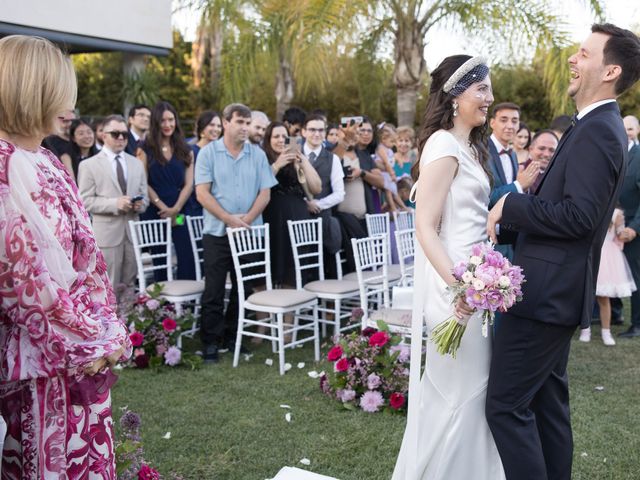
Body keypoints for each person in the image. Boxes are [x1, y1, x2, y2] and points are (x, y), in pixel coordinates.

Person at [486, 23, 640, 480]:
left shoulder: (600, 130)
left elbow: (579, 218)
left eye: (583, 54)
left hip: (543, 295)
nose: (572, 60)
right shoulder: (591, 124)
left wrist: (512, 203)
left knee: (505, 408)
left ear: (610, 70)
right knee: (547, 407)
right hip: (552, 292)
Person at [0, 34, 130, 478]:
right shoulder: (4, 165)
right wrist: (92, 341)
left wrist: (106, 326)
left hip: (83, 351)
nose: (72, 110)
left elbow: (88, 258)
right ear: (28, 90)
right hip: (41, 364)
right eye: (61, 94)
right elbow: (22, 282)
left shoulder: (49, 159)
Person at [393, 54, 503, 480]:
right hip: (454, 289)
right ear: (456, 95)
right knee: (462, 390)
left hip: (476, 285)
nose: (490, 99)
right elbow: (425, 227)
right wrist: (463, 286)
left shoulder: (469, 147)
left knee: (473, 390)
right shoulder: (442, 145)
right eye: (482, 90)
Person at [195, 103, 277, 363]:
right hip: (217, 232)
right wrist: (228, 218)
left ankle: (233, 337)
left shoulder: (258, 155)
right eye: (240, 122)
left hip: (248, 233)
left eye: (248, 122)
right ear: (226, 122)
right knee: (214, 289)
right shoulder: (208, 153)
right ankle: (210, 342)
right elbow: (202, 193)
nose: (245, 127)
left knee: (244, 289)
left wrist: (248, 219)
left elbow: (265, 192)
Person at [78, 114, 149, 292]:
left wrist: (141, 204)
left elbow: (145, 197)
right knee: (107, 287)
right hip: (107, 236)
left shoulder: (136, 164)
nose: (120, 138)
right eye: (115, 133)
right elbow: (85, 201)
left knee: (130, 285)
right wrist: (114, 204)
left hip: (132, 233)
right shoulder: (89, 165)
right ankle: (110, 321)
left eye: (124, 134)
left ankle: (129, 320)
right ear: (103, 135)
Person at [138, 101, 197, 281]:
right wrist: (162, 206)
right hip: (156, 212)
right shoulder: (144, 148)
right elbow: (143, 182)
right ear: (156, 123)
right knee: (160, 256)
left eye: (171, 120)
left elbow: (189, 184)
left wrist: (176, 208)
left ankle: (187, 302)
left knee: (186, 252)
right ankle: (162, 305)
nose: (168, 125)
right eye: (163, 121)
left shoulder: (186, 149)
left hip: (179, 212)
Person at [262, 121, 321, 286]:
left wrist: (301, 161)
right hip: (275, 220)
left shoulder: (296, 161)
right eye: (276, 136)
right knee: (277, 268)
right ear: (268, 139)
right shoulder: (262, 159)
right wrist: (277, 165)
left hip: (298, 219)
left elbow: (315, 188)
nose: (281, 140)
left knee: (295, 272)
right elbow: (259, 185)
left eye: (284, 136)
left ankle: (290, 308)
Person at [579, 208, 635, 345]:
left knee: (604, 297)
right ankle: (585, 330)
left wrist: (625, 232)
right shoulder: (592, 209)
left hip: (607, 257)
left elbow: (621, 235)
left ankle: (606, 331)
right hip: (590, 253)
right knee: (587, 296)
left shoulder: (616, 214)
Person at [302, 114, 345, 265]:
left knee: (323, 265)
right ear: (304, 132)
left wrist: (318, 204)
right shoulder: (295, 154)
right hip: (297, 217)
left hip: (323, 220)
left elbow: (340, 194)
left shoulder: (332, 159)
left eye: (321, 130)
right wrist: (305, 203)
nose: (317, 134)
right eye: (312, 129)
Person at [618, 121, 640, 338]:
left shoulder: (639, 156)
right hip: (611, 228)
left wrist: (634, 228)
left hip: (634, 229)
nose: (625, 133)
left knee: (636, 277)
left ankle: (637, 323)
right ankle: (615, 313)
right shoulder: (615, 151)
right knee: (610, 269)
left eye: (630, 129)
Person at [519, 129, 559, 194]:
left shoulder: (560, 174)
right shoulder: (519, 170)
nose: (546, 154)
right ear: (531, 149)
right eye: (541, 148)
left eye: (552, 150)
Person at [69, 118, 98, 182]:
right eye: (81, 133)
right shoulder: (68, 160)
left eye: (89, 132)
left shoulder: (100, 156)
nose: (86, 136)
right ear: (73, 138)